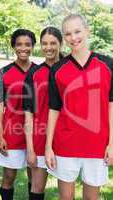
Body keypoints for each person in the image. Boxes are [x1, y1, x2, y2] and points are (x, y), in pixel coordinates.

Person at [45, 14, 113, 200]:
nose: (73, 37)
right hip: (65, 144)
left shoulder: (107, 65)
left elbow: (111, 107)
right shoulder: (57, 69)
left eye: (77, 31)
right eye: (68, 34)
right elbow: (54, 109)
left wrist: (112, 143)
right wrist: (48, 147)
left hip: (97, 145)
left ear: (87, 30)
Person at [0, 29, 36, 200]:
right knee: (8, 177)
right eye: (19, 44)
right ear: (13, 46)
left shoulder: (40, 71)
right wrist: (0, 135)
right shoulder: (3, 73)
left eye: (27, 44)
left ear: (33, 46)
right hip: (12, 132)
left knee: (35, 178)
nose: (23, 48)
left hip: (35, 132)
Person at [23, 26, 63, 200]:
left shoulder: (69, 69)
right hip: (40, 136)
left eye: (53, 43)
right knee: (37, 187)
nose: (49, 47)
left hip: (66, 135)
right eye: (44, 43)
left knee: (66, 191)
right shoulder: (33, 73)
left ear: (60, 44)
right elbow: (28, 114)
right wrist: (30, 149)